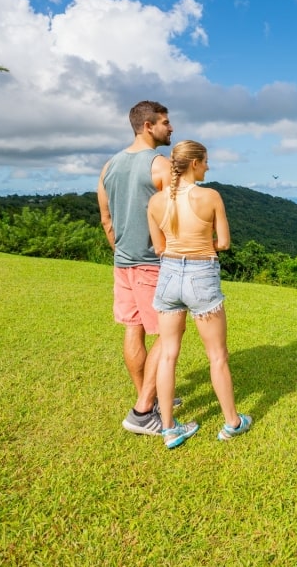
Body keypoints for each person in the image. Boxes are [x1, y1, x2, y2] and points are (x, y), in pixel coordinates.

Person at [147, 140, 252, 449]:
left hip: (167, 276)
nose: (208, 166)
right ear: (194, 163)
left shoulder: (154, 202)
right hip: (200, 274)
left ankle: (169, 429)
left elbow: (159, 248)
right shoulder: (210, 196)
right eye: (205, 161)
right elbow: (224, 243)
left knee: (168, 355)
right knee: (217, 356)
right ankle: (232, 422)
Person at [97, 100, 180, 436]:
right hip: (153, 264)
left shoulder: (109, 166)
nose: (171, 128)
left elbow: (106, 219)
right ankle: (144, 409)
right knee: (170, 333)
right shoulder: (161, 166)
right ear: (148, 126)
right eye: (165, 122)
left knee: (134, 329)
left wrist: (121, 249)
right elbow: (178, 219)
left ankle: (151, 398)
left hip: (123, 263)